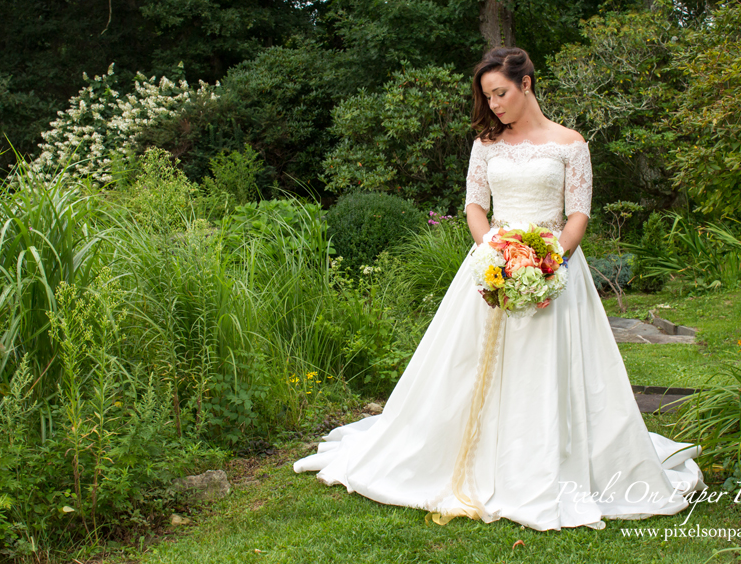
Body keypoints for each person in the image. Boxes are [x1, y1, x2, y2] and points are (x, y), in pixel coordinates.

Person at [293, 46, 706, 531]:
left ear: (526, 84)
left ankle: (542, 461)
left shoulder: (571, 144)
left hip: (555, 268)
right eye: (487, 97)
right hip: (493, 266)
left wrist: (553, 260)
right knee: (464, 370)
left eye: (500, 93)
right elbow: (474, 204)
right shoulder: (486, 145)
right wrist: (494, 250)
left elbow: (578, 214)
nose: (493, 105)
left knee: (550, 370)